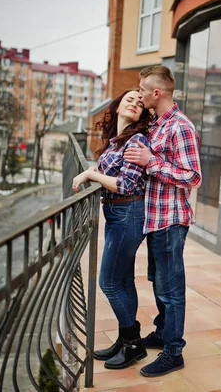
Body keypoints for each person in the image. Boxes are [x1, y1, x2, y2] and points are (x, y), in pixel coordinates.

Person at [123, 65, 201, 377]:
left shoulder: (180, 127)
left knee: (171, 289)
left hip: (171, 222)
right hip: (156, 220)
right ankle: (161, 332)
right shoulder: (158, 124)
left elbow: (192, 177)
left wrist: (151, 162)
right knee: (159, 283)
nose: (139, 94)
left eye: (142, 89)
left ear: (157, 93)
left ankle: (173, 352)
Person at [72, 89, 150, 369]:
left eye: (140, 103)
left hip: (128, 213)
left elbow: (126, 184)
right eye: (130, 99)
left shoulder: (136, 140)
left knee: (108, 282)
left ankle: (133, 344)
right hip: (119, 212)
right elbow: (113, 174)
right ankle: (126, 338)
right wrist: (97, 171)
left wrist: (91, 174)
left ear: (142, 114)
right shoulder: (118, 141)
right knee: (124, 281)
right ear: (118, 107)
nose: (134, 104)